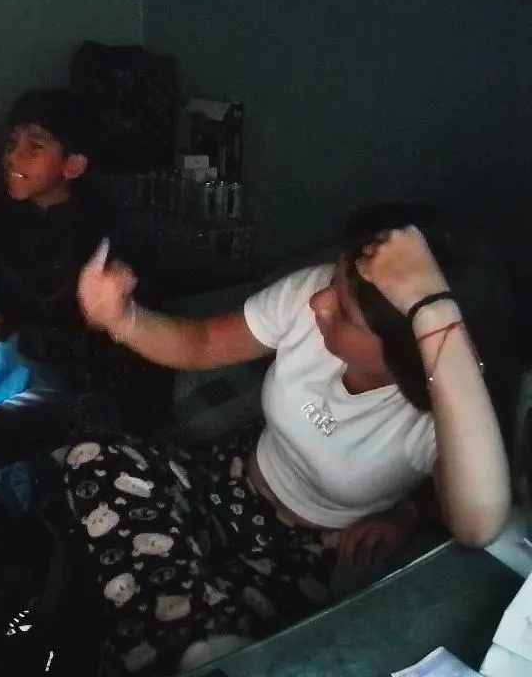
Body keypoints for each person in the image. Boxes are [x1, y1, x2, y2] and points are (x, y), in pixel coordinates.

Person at [64, 223, 511, 675]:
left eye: (345, 313)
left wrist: (407, 515)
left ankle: (189, 635)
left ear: (403, 356)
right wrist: (123, 319)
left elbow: (478, 525)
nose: (320, 301)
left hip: (307, 551)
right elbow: (203, 343)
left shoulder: (441, 415)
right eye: (332, 283)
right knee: (93, 455)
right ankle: (190, 633)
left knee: (214, 625)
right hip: (231, 477)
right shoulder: (309, 295)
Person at [0, 89, 160, 548]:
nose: (13, 156)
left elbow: (93, 337)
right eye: (12, 143)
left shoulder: (102, 238)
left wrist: (24, 338)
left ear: (73, 165)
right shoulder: (5, 218)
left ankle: (20, 555)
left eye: (34, 146)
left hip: (83, 389)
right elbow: (10, 298)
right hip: (29, 369)